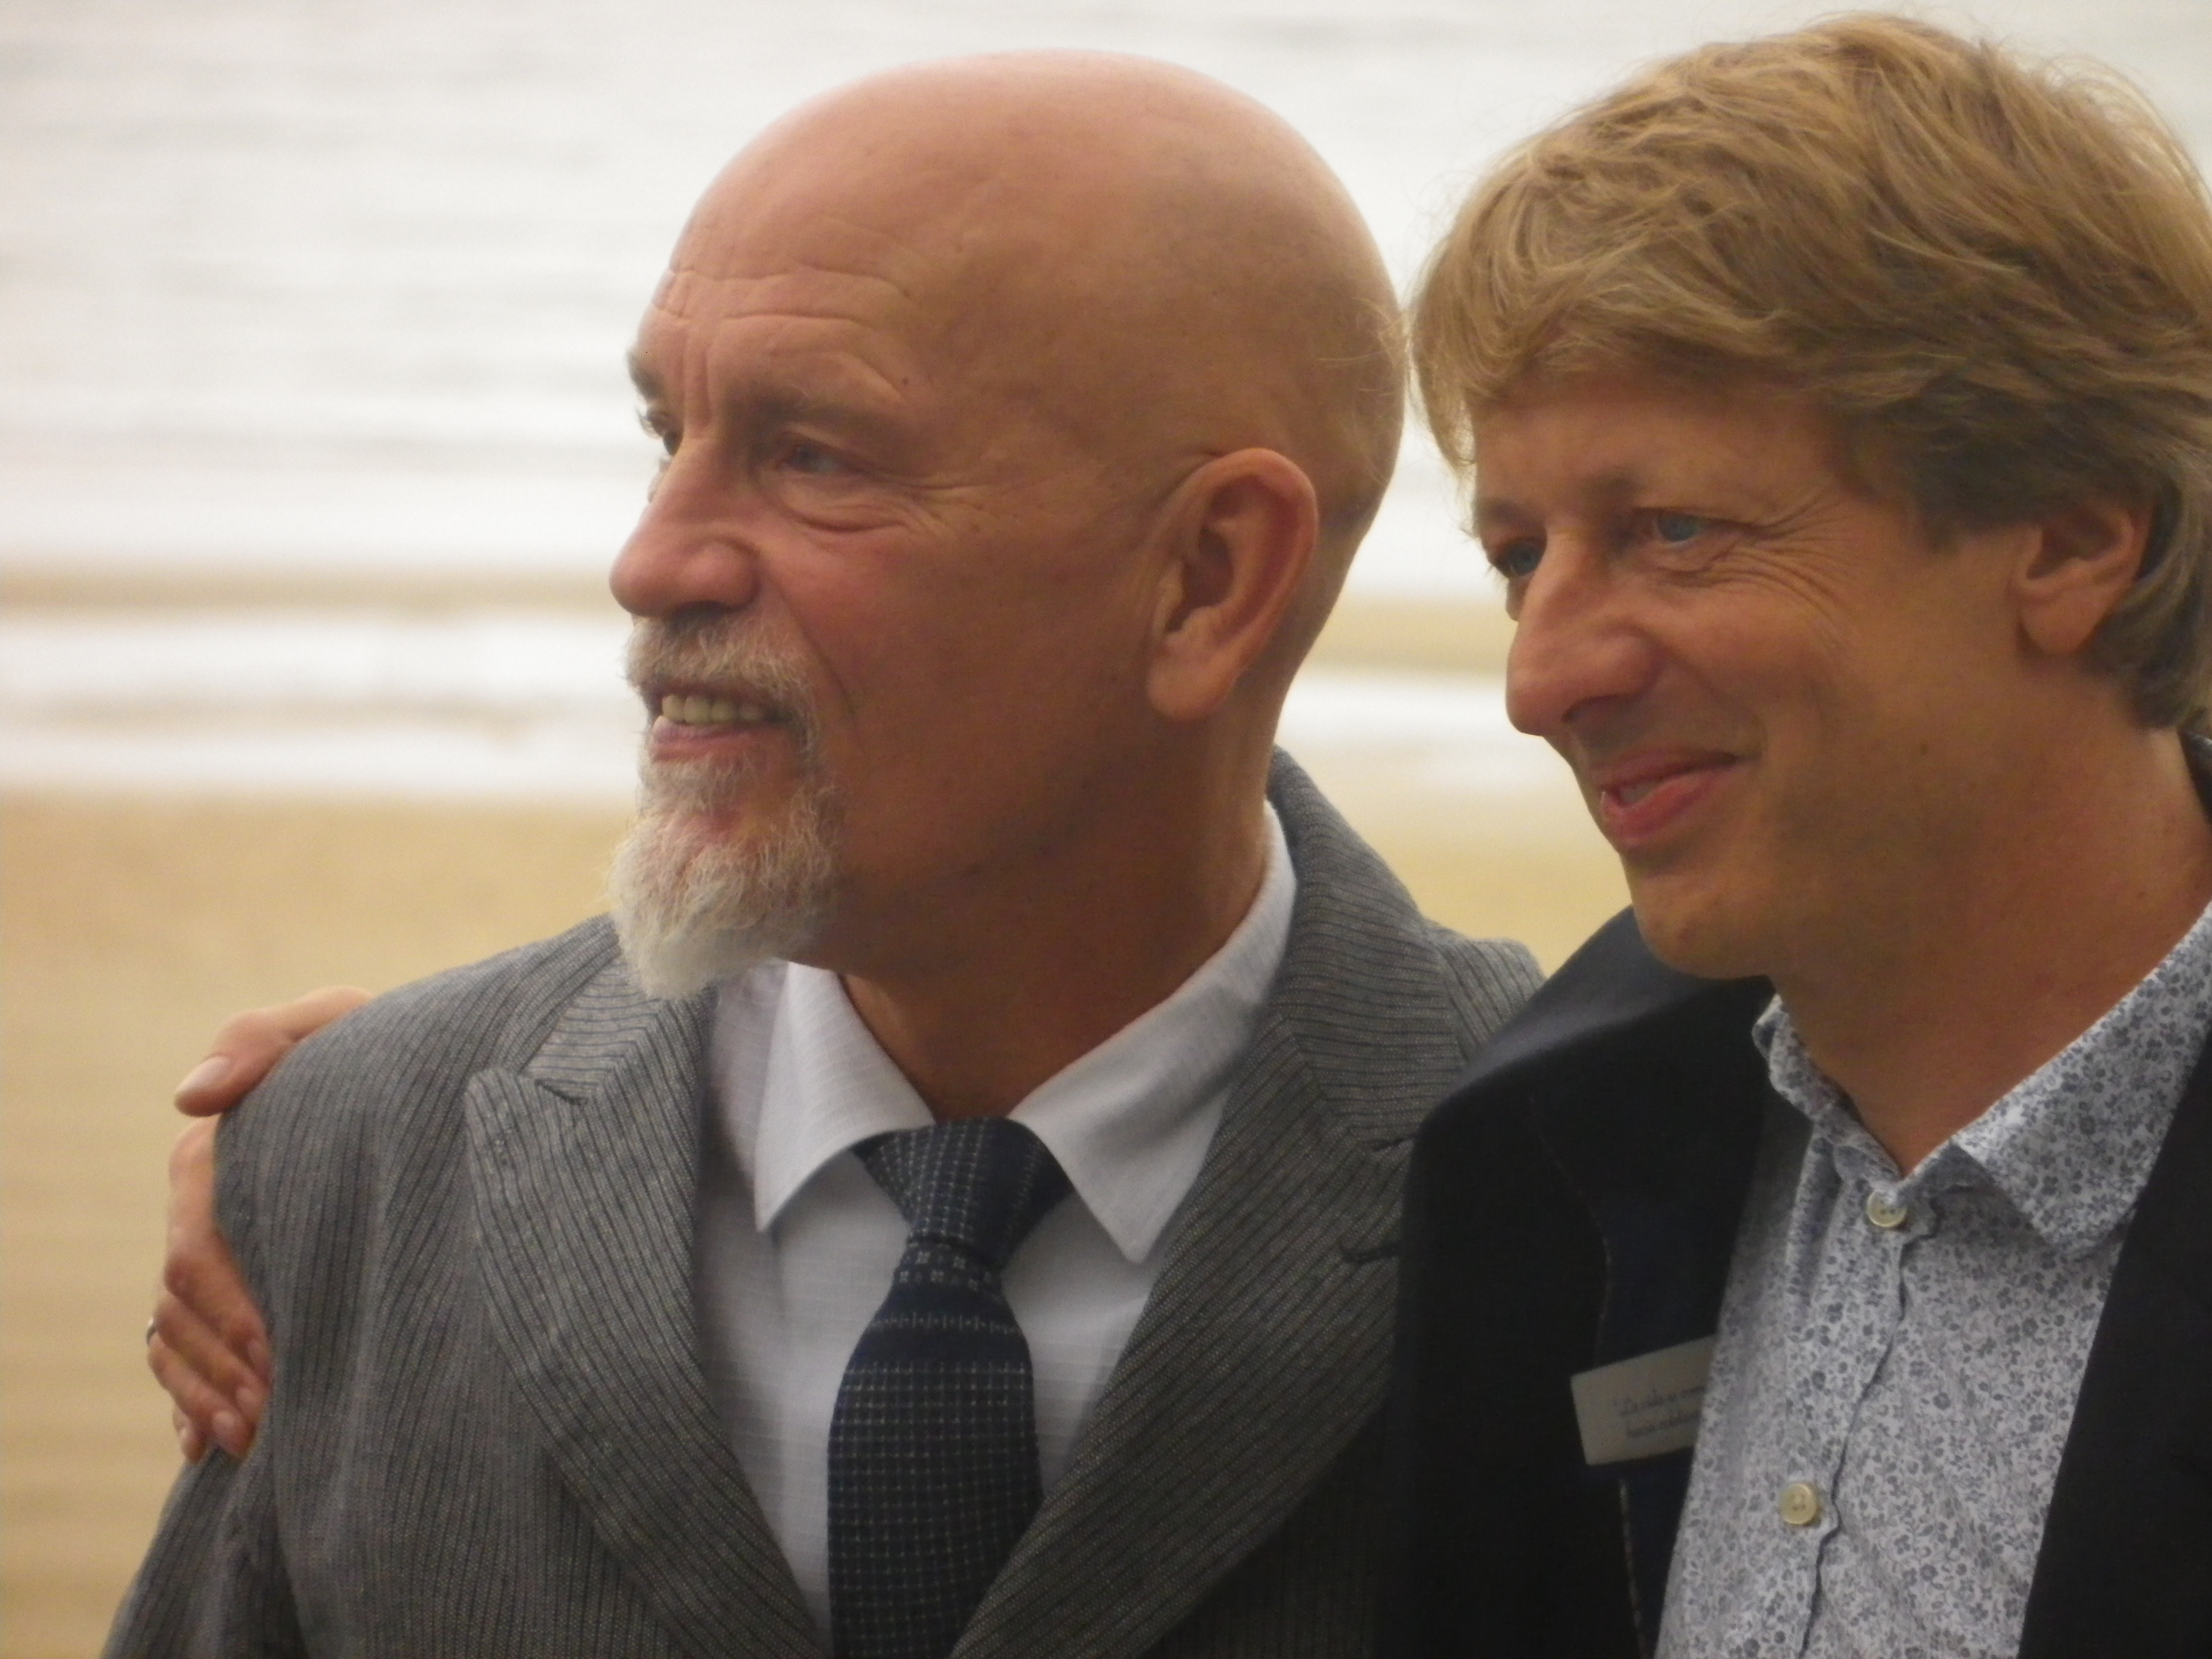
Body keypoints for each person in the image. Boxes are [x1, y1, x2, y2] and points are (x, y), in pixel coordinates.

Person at [110, 49, 1542, 1659]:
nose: (654, 560)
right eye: (669, 434)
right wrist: (347, 1137)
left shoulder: (1607, 1177)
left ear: (1209, 577)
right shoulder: (358, 1155)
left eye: (815, 457)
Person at [1387, 15, 2212, 1658]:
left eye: (1675, 530)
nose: (1542, 679)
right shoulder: (1550, 1165)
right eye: (1519, 556)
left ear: (2073, 541)